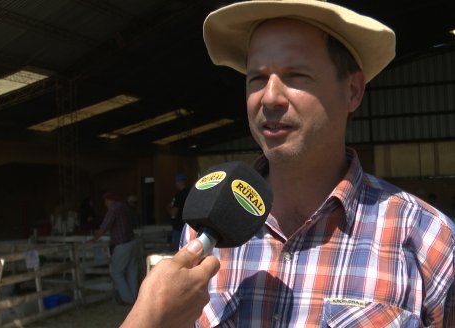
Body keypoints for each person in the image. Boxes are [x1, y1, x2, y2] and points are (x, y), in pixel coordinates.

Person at [123, 0, 455, 326]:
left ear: (353, 90)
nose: (269, 97)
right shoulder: (205, 236)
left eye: (296, 75)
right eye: (256, 78)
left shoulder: (428, 239)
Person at [91, 191, 138, 305]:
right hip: (131, 241)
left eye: (106, 201)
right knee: (132, 272)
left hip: (121, 244)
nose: (105, 203)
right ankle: (136, 299)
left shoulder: (114, 209)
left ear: (110, 200)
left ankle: (128, 299)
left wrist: (94, 239)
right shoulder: (125, 207)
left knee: (116, 272)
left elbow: (105, 226)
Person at [167, 174, 190, 250]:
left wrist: (168, 208)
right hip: (188, 227)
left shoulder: (179, 195)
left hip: (179, 228)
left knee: (177, 252)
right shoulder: (190, 193)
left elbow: (174, 212)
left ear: (179, 182)